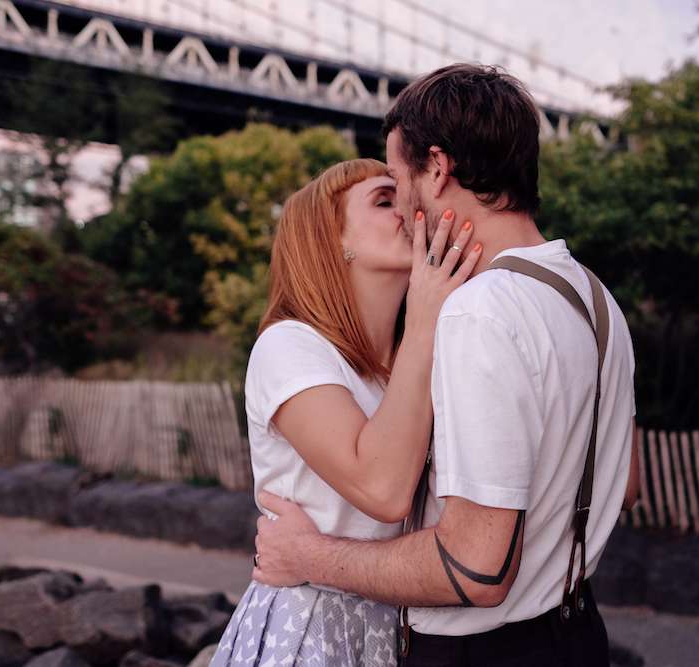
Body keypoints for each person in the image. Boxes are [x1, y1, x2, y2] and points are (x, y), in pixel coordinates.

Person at [253, 64, 641, 666]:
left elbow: (475, 568)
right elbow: (625, 484)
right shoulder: (593, 297)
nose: (403, 208)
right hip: (574, 630)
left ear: (436, 169)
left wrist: (307, 556)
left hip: (480, 650)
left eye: (397, 181)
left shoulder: (478, 311)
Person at [210, 158, 482, 666]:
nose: (406, 208)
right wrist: (424, 321)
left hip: (399, 627)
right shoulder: (290, 346)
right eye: (384, 200)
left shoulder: (412, 359)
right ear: (332, 241)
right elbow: (382, 490)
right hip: (311, 627)